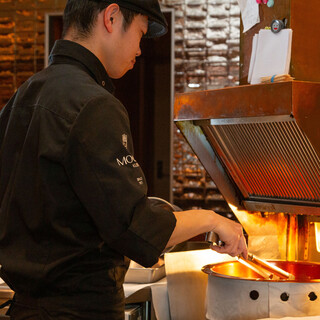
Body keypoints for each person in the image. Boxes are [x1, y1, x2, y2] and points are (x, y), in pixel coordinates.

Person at [0, 0, 247, 319]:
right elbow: (136, 229)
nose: (140, 50)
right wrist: (212, 219)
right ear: (112, 17)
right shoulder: (94, 104)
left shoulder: (23, 95)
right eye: (141, 34)